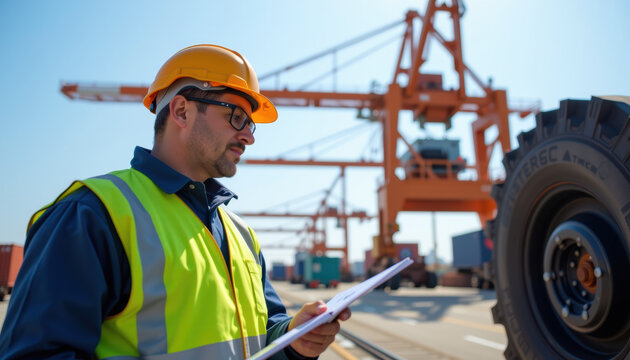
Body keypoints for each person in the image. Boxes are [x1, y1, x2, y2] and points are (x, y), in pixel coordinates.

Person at [0, 44, 350, 359]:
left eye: (251, 125)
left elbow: (263, 333)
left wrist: (293, 339)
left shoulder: (240, 234)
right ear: (181, 111)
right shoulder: (92, 214)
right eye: (237, 116)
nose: (247, 136)